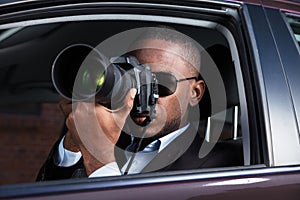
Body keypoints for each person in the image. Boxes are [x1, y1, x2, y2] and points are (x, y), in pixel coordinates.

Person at [37, 27, 241, 180]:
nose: (140, 94)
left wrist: (101, 161)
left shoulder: (221, 166)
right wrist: (73, 145)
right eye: (134, 80)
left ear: (195, 93)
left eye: (159, 83)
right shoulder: (108, 137)